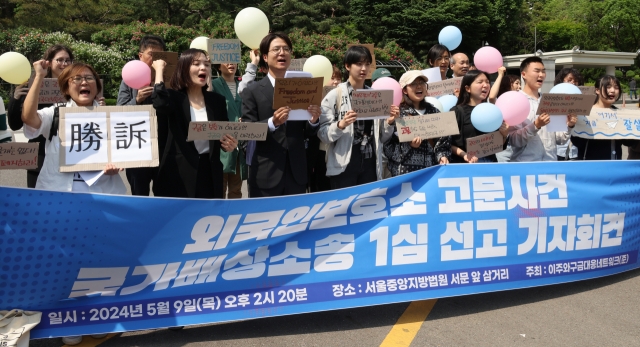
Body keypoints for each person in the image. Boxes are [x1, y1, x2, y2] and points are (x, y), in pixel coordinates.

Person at [22, 61, 123, 345]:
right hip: (60, 202)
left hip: (102, 200)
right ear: (66, 87)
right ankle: (69, 324)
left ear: (98, 85)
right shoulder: (55, 114)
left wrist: (119, 165)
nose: (83, 83)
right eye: (76, 79)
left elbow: (129, 150)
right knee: (64, 264)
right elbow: (27, 118)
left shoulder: (111, 117)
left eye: (89, 78)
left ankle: (98, 318)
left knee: (100, 264)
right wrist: (39, 77)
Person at [241, 32, 321, 197]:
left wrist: (313, 120)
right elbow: (247, 132)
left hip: (296, 174)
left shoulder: (302, 88)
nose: (282, 53)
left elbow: (308, 132)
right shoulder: (253, 91)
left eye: (286, 49)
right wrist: (272, 122)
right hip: (266, 174)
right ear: (265, 56)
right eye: (276, 49)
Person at [151, 49, 237, 198]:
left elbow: (223, 134)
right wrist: (159, 70)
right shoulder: (174, 97)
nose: (203, 68)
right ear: (184, 68)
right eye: (196, 64)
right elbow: (159, 102)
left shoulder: (217, 101)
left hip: (209, 173)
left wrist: (229, 144)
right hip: (178, 174)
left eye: (207, 64)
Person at [318, 45, 398, 188]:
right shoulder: (334, 95)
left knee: (368, 207)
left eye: (367, 64)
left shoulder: (376, 96)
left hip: (370, 163)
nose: (363, 69)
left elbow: (383, 138)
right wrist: (340, 125)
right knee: (343, 206)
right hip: (343, 164)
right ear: (347, 66)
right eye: (359, 64)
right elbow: (323, 134)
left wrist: (389, 123)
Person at [7, 44, 74, 187]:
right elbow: (15, 124)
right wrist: (16, 100)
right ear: (48, 63)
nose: (64, 64)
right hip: (39, 157)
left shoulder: (79, 86)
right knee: (38, 202)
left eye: (68, 60)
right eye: (60, 60)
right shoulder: (33, 87)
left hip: (71, 155)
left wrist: (97, 105)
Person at [117, 35, 166, 196]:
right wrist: (137, 99)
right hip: (138, 146)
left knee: (165, 194)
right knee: (139, 193)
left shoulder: (170, 79)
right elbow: (120, 111)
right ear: (140, 56)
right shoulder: (129, 79)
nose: (155, 60)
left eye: (160, 56)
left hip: (164, 146)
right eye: (151, 55)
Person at [508, 57, 577, 162]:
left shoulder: (551, 101)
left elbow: (560, 139)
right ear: (524, 74)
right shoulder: (515, 101)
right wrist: (535, 126)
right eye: (537, 71)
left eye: (543, 71)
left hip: (550, 165)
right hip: (525, 166)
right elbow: (514, 140)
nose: (541, 75)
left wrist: (569, 125)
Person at [384, 70, 450, 176]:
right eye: (414, 84)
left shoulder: (434, 112)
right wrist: (410, 146)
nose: (419, 86)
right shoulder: (398, 114)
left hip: (430, 173)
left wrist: (442, 156)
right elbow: (388, 148)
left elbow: (443, 141)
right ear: (405, 90)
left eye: (422, 83)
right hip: (405, 175)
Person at [571, 75, 637, 160]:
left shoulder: (620, 114)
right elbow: (578, 143)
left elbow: (628, 142)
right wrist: (572, 125)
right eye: (608, 87)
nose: (613, 91)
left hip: (615, 167)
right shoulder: (586, 113)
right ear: (597, 90)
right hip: (591, 168)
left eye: (616, 87)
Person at [450, 70, 509, 163]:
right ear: (467, 88)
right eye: (480, 82)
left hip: (490, 165)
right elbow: (448, 143)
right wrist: (464, 155)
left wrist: (504, 135)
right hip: (467, 166)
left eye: (487, 82)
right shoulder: (457, 111)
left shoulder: (492, 110)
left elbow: (497, 144)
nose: (485, 85)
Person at [212, 60, 247, 199]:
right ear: (218, 66)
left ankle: (234, 218)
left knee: (236, 190)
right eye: (226, 61)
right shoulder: (213, 85)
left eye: (233, 61)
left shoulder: (242, 86)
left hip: (240, 142)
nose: (231, 64)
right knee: (219, 188)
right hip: (222, 141)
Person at [554, 68, 584, 161]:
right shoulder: (553, 100)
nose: (573, 83)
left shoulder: (583, 100)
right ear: (561, 81)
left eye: (575, 81)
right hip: (559, 150)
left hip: (577, 151)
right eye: (569, 80)